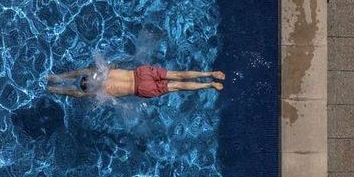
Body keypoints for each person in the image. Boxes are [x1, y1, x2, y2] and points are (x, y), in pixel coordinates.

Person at [46, 64, 224, 99]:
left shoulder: (100, 94)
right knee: (177, 75)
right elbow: (81, 71)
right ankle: (209, 73)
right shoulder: (103, 71)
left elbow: (75, 92)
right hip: (140, 72)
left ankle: (208, 84)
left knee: (177, 85)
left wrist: (57, 90)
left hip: (140, 89)